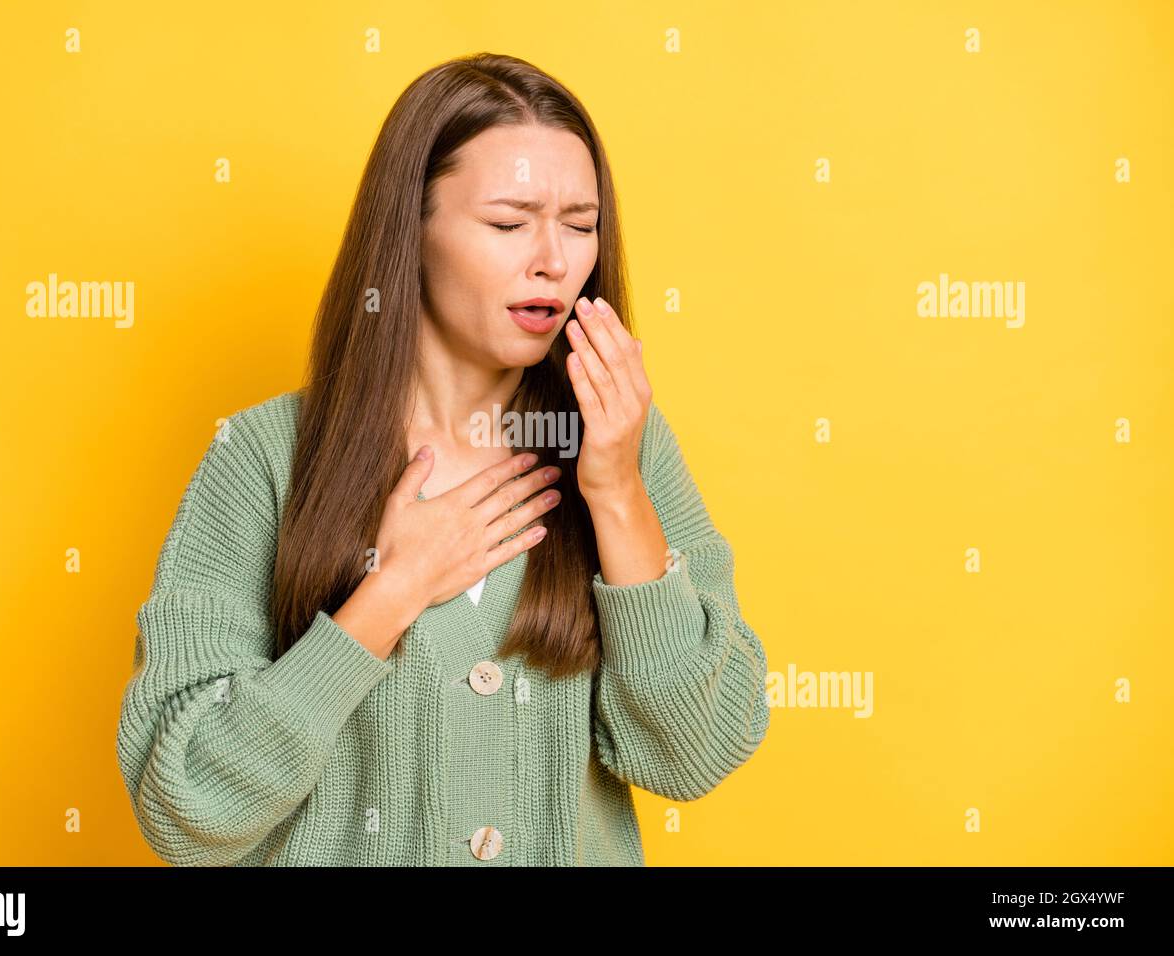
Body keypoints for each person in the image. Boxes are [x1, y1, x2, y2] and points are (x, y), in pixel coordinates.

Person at [115, 51, 770, 867]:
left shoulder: (623, 440)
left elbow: (694, 751)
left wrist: (616, 493)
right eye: (508, 223)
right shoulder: (260, 459)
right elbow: (187, 807)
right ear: (409, 232)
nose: (555, 262)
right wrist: (389, 594)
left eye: (579, 223)